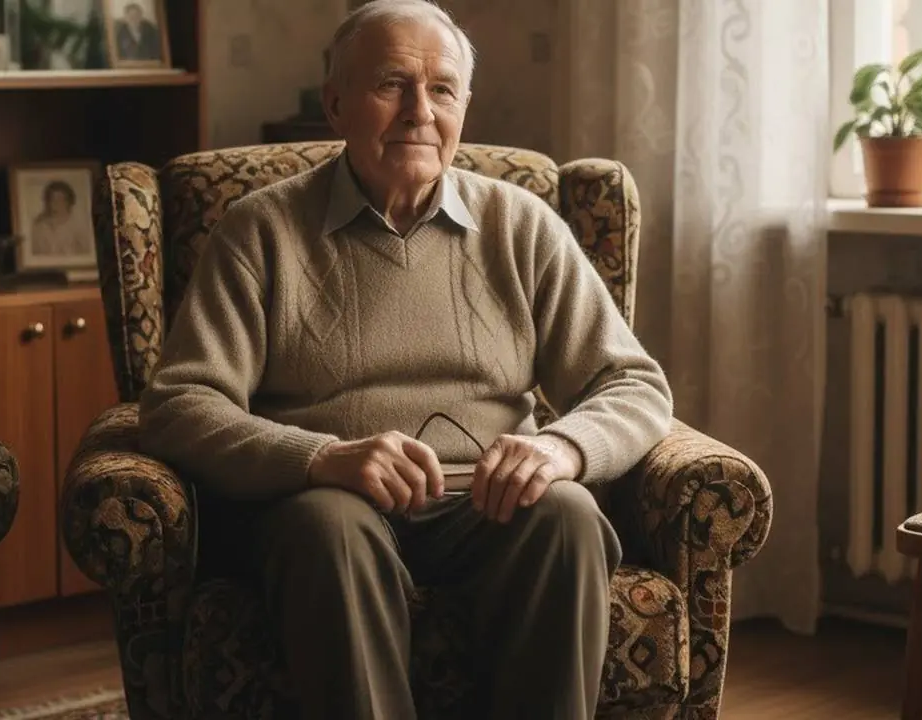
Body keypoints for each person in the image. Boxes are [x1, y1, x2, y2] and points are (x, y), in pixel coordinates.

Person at [137, 1, 674, 718]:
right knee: (329, 528)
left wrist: (561, 449)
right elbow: (177, 405)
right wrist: (321, 458)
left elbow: (634, 383)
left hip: (485, 504)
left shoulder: (521, 226)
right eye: (392, 84)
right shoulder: (259, 232)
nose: (420, 111)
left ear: (463, 108)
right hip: (329, 504)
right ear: (335, 104)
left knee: (567, 515)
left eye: (442, 89)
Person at [28, 180, 92, 257]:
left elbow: (87, 254)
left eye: (60, 199)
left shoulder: (79, 225)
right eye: (52, 199)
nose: (56, 202)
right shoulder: (39, 225)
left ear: (69, 201)